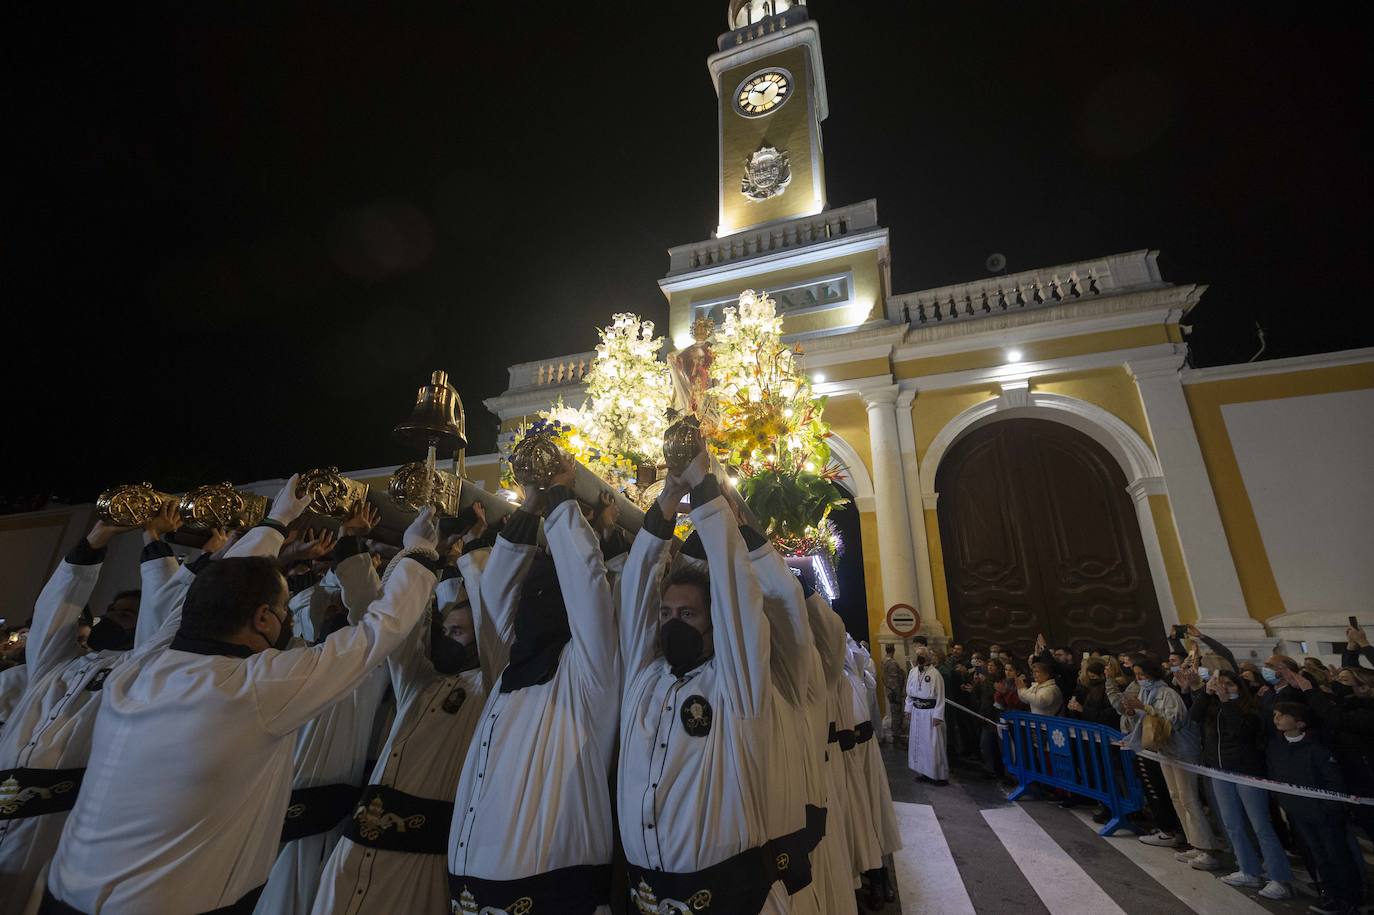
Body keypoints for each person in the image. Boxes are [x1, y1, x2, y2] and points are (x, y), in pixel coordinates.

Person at [43, 483, 440, 914]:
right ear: (264, 618)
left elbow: (213, 585)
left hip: (63, 893)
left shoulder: (144, 662)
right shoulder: (254, 686)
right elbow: (378, 632)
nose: (289, 618)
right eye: (285, 610)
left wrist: (278, 519)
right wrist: (419, 551)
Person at [0, 502, 194, 915]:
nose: (112, 619)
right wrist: (98, 537)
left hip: (60, 825)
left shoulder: (139, 675)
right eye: (112, 612)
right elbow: (56, 609)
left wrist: (155, 541)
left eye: (127, 615)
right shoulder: (55, 666)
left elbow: (169, 614)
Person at [446, 456, 620, 914]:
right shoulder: (506, 676)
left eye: (541, 599)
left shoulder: (586, 673)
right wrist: (530, 504)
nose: (526, 610)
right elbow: (496, 595)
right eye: (527, 600)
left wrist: (561, 498)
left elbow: (587, 583)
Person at [617, 449, 779, 913]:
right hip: (645, 896)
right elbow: (635, 593)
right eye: (667, 614)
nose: (673, 623)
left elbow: (736, 592)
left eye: (688, 614)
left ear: (713, 622)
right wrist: (668, 498)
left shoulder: (734, 686)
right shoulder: (644, 678)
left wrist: (707, 493)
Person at [311, 512, 494, 915]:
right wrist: (354, 548)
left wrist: (472, 550)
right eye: (445, 630)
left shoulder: (488, 689)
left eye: (459, 632)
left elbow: (495, 626)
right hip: (355, 849)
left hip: (420, 864)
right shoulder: (418, 679)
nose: (447, 639)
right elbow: (384, 619)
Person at [253, 502, 394, 915]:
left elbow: (368, 607)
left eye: (341, 607)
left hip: (320, 826)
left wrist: (350, 542)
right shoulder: (289, 659)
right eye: (329, 606)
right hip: (258, 816)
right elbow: (254, 610)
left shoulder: (370, 665)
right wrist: (284, 557)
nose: (335, 610)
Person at [1179, 668, 1293, 898]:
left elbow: (1240, 733)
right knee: (1232, 824)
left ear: (1239, 687)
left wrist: (1226, 702)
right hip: (1220, 771)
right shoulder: (1213, 707)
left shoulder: (1252, 709)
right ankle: (1248, 869)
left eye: (1229, 684)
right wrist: (1205, 693)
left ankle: (1279, 877)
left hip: (1246, 772)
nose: (1224, 688)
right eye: (1220, 684)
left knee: (1260, 825)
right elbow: (1194, 717)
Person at [1116, 654, 1222, 870]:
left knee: (1189, 798)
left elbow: (1175, 720)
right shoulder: (1145, 693)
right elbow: (1144, 723)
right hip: (1165, 750)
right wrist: (1132, 712)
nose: (1139, 679)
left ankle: (1207, 849)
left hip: (1183, 751)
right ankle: (1194, 843)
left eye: (1141, 675)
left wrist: (1144, 708)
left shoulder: (1167, 693)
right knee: (1176, 797)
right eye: (1136, 675)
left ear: (1152, 674)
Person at [1267, 702, 1362, 915]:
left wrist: (1327, 808)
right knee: (1317, 855)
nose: (1277, 718)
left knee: (1336, 855)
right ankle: (1329, 894)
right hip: (1298, 812)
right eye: (1275, 714)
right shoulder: (1276, 746)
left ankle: (1349, 899)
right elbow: (1274, 775)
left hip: (1323, 815)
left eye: (1282, 715)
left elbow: (1333, 782)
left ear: (1300, 723)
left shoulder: (1316, 749)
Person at [905, 650, 947, 785]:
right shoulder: (913, 672)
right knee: (919, 743)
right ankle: (922, 772)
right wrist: (908, 709)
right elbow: (909, 693)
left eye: (922, 655)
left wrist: (938, 715)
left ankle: (938, 775)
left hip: (930, 713)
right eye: (918, 655)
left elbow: (940, 696)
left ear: (929, 658)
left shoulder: (935, 674)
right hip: (917, 713)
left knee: (932, 744)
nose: (919, 658)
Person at [882, 644, 907, 742]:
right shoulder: (892, 663)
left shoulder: (884, 661)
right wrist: (898, 695)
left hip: (889, 691)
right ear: (893, 650)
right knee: (897, 715)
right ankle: (897, 737)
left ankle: (896, 735)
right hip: (894, 693)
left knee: (894, 713)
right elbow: (894, 681)